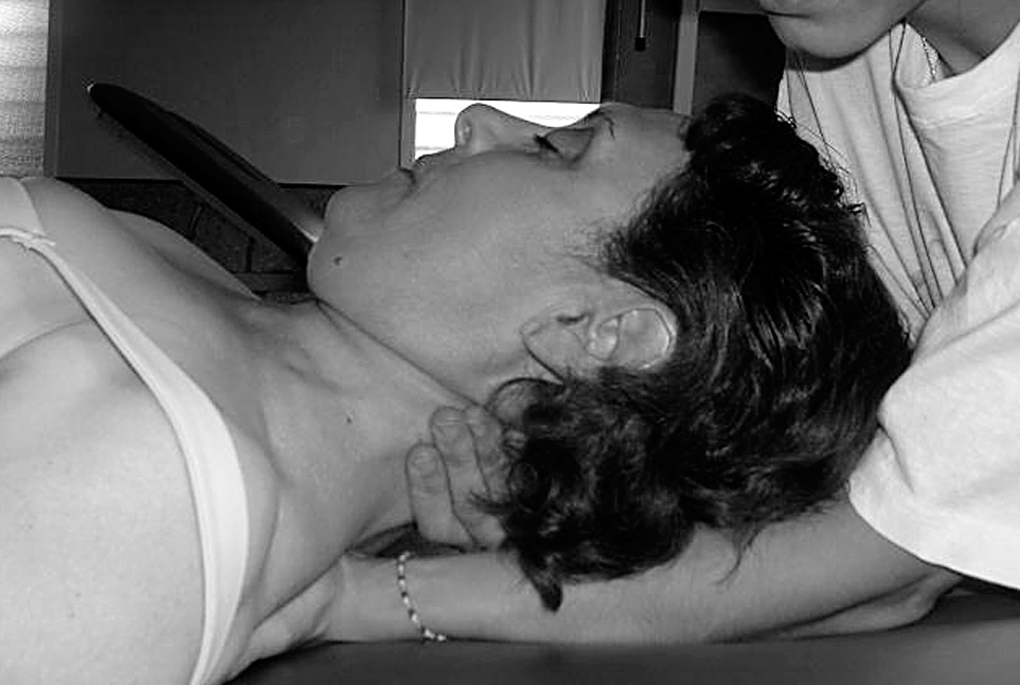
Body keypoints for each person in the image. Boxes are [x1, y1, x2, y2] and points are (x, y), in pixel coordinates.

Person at [0, 92, 904, 683]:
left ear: (597, 332)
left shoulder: (150, 494)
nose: (478, 119)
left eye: (557, 148)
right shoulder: (225, 322)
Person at [334, 0, 1020, 644]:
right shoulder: (847, 64)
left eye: (557, 147)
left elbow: (879, 565)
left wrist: (353, 598)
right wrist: (578, 512)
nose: (475, 119)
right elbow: (850, 471)